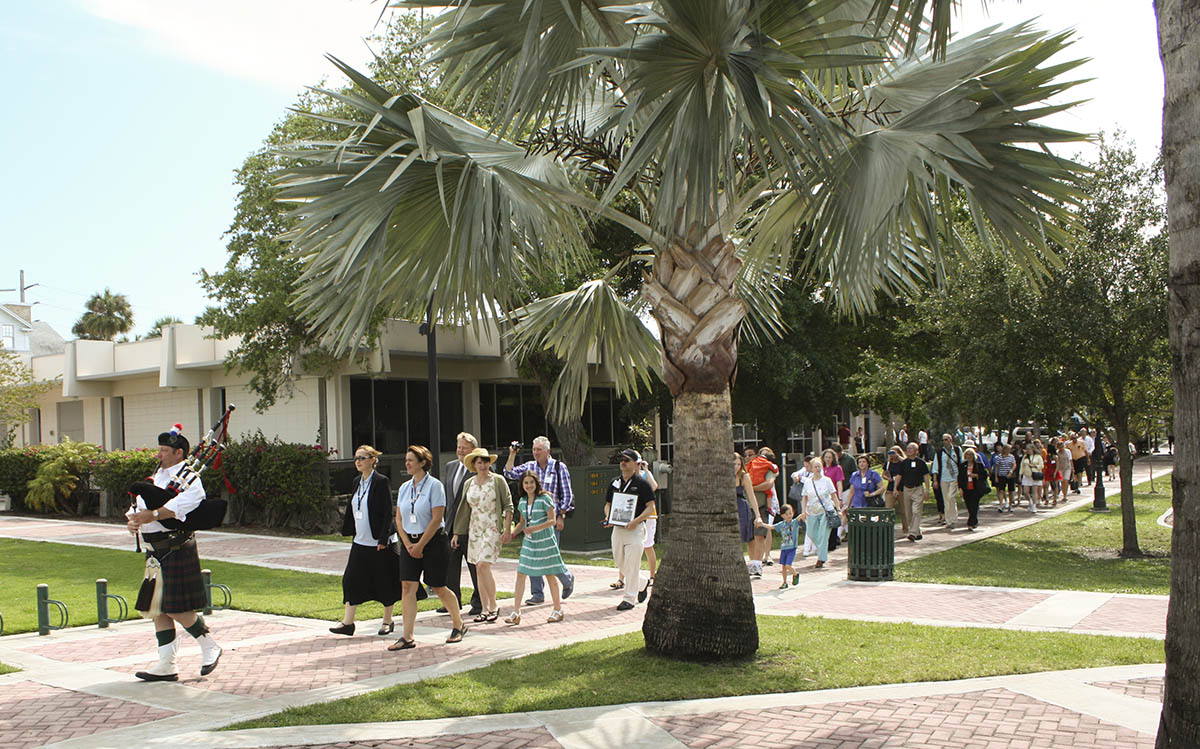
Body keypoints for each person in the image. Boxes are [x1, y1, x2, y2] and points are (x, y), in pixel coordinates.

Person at [126, 424, 222, 681]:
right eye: (159, 450)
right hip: (154, 550)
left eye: (164, 450)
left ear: (179, 453)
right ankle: (166, 664)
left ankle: (210, 645)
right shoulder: (157, 477)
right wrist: (133, 520)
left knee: (177, 608)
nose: (159, 455)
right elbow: (138, 507)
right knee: (157, 608)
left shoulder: (191, 480)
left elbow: (179, 507)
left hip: (175, 546)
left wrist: (152, 515)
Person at [387, 445, 467, 651]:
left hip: (432, 542)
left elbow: (437, 517)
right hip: (409, 542)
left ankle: (458, 625)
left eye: (411, 460)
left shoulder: (434, 486)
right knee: (407, 586)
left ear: (423, 462)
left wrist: (420, 545)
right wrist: (407, 544)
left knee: (439, 586)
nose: (407, 463)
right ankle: (407, 636)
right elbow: (399, 517)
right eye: (406, 460)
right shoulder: (405, 487)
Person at [330, 445, 401, 637]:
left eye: (362, 458)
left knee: (384, 581)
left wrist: (383, 538)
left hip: (379, 542)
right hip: (360, 541)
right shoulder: (356, 482)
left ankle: (387, 621)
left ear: (372, 460)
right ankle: (348, 623)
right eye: (356, 458)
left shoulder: (381, 481)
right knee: (350, 580)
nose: (358, 461)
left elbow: (387, 512)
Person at [504, 436, 575, 605]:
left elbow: (567, 494)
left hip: (550, 521)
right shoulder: (530, 467)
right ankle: (537, 594)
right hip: (531, 520)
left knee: (550, 556)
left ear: (548, 451)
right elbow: (508, 473)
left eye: (539, 450)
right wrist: (512, 454)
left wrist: (561, 515)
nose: (535, 453)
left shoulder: (559, 467)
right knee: (533, 557)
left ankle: (567, 579)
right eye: (534, 449)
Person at [453, 447, 513, 623]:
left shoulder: (498, 480)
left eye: (486, 461)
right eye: (479, 462)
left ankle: (493, 606)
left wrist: (507, 529)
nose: (483, 464)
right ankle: (485, 608)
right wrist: (457, 532)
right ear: (474, 464)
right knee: (478, 569)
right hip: (474, 529)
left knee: (482, 565)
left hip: (492, 527)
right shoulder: (468, 483)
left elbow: (508, 506)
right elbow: (463, 510)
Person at [506, 471, 569, 624]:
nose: (529, 486)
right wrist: (512, 534)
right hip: (529, 541)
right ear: (522, 484)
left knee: (549, 574)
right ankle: (516, 611)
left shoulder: (545, 499)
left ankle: (557, 609)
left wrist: (534, 528)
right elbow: (522, 522)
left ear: (536, 483)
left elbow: (552, 520)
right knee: (521, 573)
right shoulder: (522, 501)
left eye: (531, 482)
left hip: (545, 540)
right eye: (526, 483)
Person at [602, 448, 657, 610]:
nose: (623, 463)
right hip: (618, 529)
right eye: (621, 460)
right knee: (620, 562)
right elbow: (608, 505)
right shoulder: (614, 482)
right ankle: (642, 582)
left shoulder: (642, 483)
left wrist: (637, 520)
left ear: (636, 464)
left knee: (632, 564)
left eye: (627, 460)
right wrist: (608, 516)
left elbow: (650, 507)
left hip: (635, 529)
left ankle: (629, 598)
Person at [443, 432, 482, 616]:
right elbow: (448, 498)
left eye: (464, 447)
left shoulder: (478, 469)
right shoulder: (450, 467)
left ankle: (479, 602)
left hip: (470, 527)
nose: (460, 450)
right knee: (450, 566)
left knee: (474, 566)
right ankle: (452, 601)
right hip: (450, 526)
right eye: (458, 447)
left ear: (473, 450)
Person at [615, 452, 660, 589]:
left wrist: (645, 470)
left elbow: (654, 487)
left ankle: (651, 577)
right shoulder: (622, 480)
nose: (624, 463)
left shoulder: (644, 479)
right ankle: (623, 578)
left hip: (647, 518)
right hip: (628, 519)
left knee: (647, 546)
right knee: (623, 552)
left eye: (628, 461)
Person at [799, 458, 839, 569]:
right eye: (815, 466)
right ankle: (822, 550)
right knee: (811, 533)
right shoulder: (808, 482)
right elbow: (804, 497)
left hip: (826, 511)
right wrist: (803, 511)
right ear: (811, 469)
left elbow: (834, 495)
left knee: (823, 535)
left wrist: (838, 509)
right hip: (812, 511)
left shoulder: (827, 480)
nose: (817, 468)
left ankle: (821, 558)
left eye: (819, 466)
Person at [746, 447, 779, 576]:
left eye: (751, 454)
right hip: (747, 506)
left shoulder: (768, 469)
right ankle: (752, 563)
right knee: (749, 538)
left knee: (760, 535)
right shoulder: (747, 468)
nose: (749, 457)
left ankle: (758, 564)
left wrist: (751, 488)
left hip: (762, 506)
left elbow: (769, 484)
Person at [759, 503, 802, 587]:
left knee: (788, 565)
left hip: (791, 548)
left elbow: (799, 517)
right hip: (784, 548)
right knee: (783, 567)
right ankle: (785, 582)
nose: (789, 515)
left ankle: (795, 574)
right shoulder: (781, 524)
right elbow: (771, 527)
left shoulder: (794, 523)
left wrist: (805, 512)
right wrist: (761, 524)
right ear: (782, 515)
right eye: (786, 514)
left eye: (790, 513)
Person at [895, 442, 931, 541]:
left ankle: (912, 533)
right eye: (908, 448)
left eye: (911, 448)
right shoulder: (903, 463)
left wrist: (927, 490)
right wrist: (895, 488)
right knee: (908, 513)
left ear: (916, 451)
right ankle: (917, 532)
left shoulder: (921, 463)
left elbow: (926, 476)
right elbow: (899, 476)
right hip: (907, 489)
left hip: (918, 489)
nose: (909, 450)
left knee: (916, 511)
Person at [736, 453, 762, 574]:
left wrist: (758, 515)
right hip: (729, 507)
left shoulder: (744, 476)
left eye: (738, 464)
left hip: (742, 507)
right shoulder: (723, 476)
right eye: (733, 464)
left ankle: (754, 564)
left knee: (749, 536)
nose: (736, 467)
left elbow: (751, 496)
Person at [932, 434, 962, 530]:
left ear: (951, 440)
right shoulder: (940, 452)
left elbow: (961, 462)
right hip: (944, 478)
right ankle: (948, 520)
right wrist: (935, 480)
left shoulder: (957, 450)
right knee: (946, 500)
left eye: (947, 439)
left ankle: (953, 519)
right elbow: (935, 467)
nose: (945, 441)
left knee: (951, 497)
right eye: (944, 440)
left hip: (955, 477)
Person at [958, 447, 990, 531]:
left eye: (971, 455)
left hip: (976, 488)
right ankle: (974, 520)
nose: (969, 456)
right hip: (966, 488)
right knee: (969, 505)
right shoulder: (962, 465)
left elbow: (984, 475)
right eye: (967, 454)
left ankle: (971, 523)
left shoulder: (978, 465)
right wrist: (960, 488)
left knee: (974, 505)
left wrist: (976, 475)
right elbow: (960, 478)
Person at [882, 446, 909, 534]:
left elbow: (906, 463)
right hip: (890, 488)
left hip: (902, 488)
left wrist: (898, 456)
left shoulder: (903, 462)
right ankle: (887, 529)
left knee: (904, 510)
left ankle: (906, 529)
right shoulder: (888, 463)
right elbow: (884, 474)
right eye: (891, 453)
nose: (892, 455)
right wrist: (887, 478)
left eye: (894, 452)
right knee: (888, 509)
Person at [1019, 442, 1044, 514]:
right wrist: (1020, 475)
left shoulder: (1038, 456)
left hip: (1035, 474)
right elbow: (1022, 466)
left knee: (1034, 491)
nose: (1028, 451)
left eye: (1029, 449)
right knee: (1025, 491)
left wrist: (1034, 466)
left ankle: (1034, 505)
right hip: (1026, 475)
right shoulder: (1025, 457)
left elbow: (1041, 465)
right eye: (1027, 449)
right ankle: (1030, 501)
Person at [992, 443, 1016, 513]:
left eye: (1009, 449)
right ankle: (1001, 504)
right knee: (1001, 490)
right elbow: (997, 467)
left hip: (1010, 475)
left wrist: (1011, 472)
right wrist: (996, 476)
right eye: (1007, 449)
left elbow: (1014, 464)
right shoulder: (999, 457)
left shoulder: (1011, 457)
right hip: (1002, 475)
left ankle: (1010, 505)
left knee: (1011, 490)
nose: (1008, 451)